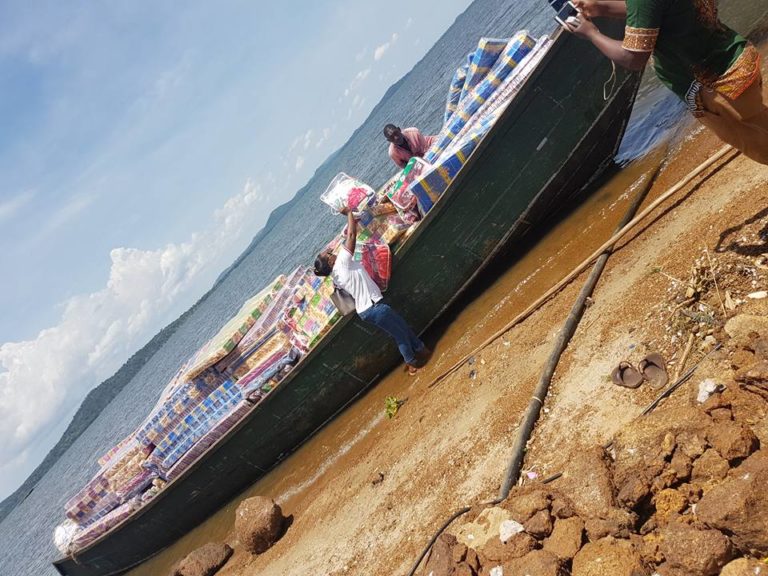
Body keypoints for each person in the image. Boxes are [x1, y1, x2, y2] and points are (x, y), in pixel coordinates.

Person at [565, 0, 768, 165]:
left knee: (763, 147)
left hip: (722, 89)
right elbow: (655, 8)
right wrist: (600, 7)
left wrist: (591, 33)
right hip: (736, 60)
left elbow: (632, 58)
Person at [313, 208, 429, 375]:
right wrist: (348, 213)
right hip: (374, 307)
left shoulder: (336, 276)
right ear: (330, 262)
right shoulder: (341, 264)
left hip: (367, 310)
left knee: (402, 326)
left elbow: (350, 236)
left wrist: (353, 220)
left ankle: (421, 349)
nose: (333, 252)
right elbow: (351, 236)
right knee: (400, 334)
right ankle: (411, 363)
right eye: (330, 253)